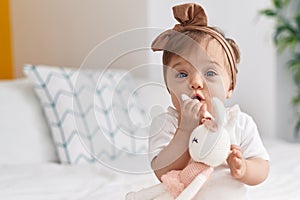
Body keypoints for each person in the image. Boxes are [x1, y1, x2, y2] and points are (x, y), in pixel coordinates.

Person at [148, 3, 270, 199]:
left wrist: (244, 168)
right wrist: (185, 130)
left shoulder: (240, 122)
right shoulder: (167, 124)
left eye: (210, 72)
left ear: (229, 88)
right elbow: (162, 171)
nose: (195, 82)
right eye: (182, 74)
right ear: (168, 88)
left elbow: (262, 166)